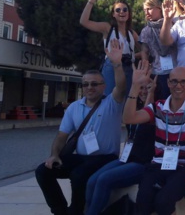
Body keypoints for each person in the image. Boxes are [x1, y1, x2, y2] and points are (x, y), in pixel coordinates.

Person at [35, 40, 127, 215]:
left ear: (103, 86)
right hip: (81, 157)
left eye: (94, 84)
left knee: (79, 175)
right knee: (43, 171)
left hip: (106, 157)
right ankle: (60, 211)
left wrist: (117, 64)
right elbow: (62, 136)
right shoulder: (74, 107)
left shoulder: (111, 103)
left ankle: (77, 211)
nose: (89, 87)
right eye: (86, 84)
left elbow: (121, 87)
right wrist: (54, 155)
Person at [122, 65, 185, 215]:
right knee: (142, 203)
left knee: (163, 201)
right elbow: (129, 118)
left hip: (183, 167)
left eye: (183, 82)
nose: (178, 86)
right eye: (174, 81)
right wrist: (135, 86)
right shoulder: (158, 106)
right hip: (158, 165)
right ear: (168, 83)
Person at [84, 76, 156, 215]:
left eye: (147, 88)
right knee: (92, 180)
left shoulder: (157, 109)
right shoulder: (133, 107)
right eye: (140, 88)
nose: (143, 91)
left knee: (104, 180)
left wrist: (151, 93)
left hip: (144, 162)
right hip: (128, 157)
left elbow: (145, 119)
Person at [80, 0, 138, 95]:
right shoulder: (107, 28)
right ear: (113, 14)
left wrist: (138, 57)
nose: (122, 12)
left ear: (129, 13)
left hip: (128, 67)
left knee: (127, 100)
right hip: (112, 66)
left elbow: (143, 49)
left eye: (125, 9)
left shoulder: (132, 33)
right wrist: (91, 1)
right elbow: (84, 21)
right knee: (109, 98)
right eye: (118, 10)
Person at [140, 0, 176, 100]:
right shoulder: (146, 30)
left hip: (175, 70)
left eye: (149, 8)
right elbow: (144, 52)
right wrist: (145, 72)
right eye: (144, 10)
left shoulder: (172, 24)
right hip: (157, 73)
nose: (147, 12)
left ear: (159, 8)